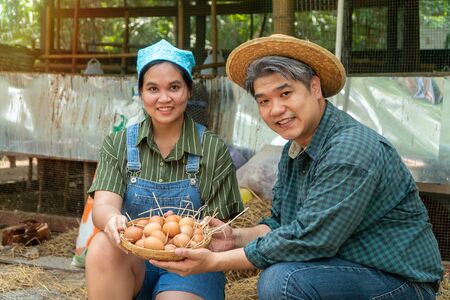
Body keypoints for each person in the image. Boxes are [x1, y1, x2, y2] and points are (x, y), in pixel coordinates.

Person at [151, 34, 444, 299]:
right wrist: (232, 238)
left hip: (400, 282)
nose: (276, 109)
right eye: (264, 101)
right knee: (281, 274)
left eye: (286, 94)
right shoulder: (295, 150)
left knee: (284, 280)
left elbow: (310, 240)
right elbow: (281, 224)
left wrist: (214, 262)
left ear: (314, 87)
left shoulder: (349, 148)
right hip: (345, 268)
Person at [85, 39, 244, 300]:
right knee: (103, 244)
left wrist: (186, 228)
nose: (164, 98)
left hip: (192, 265)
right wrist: (112, 219)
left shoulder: (212, 148)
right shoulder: (119, 144)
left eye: (174, 87)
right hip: (132, 260)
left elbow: (220, 228)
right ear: (140, 93)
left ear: (189, 90)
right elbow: (103, 206)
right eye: (152, 88)